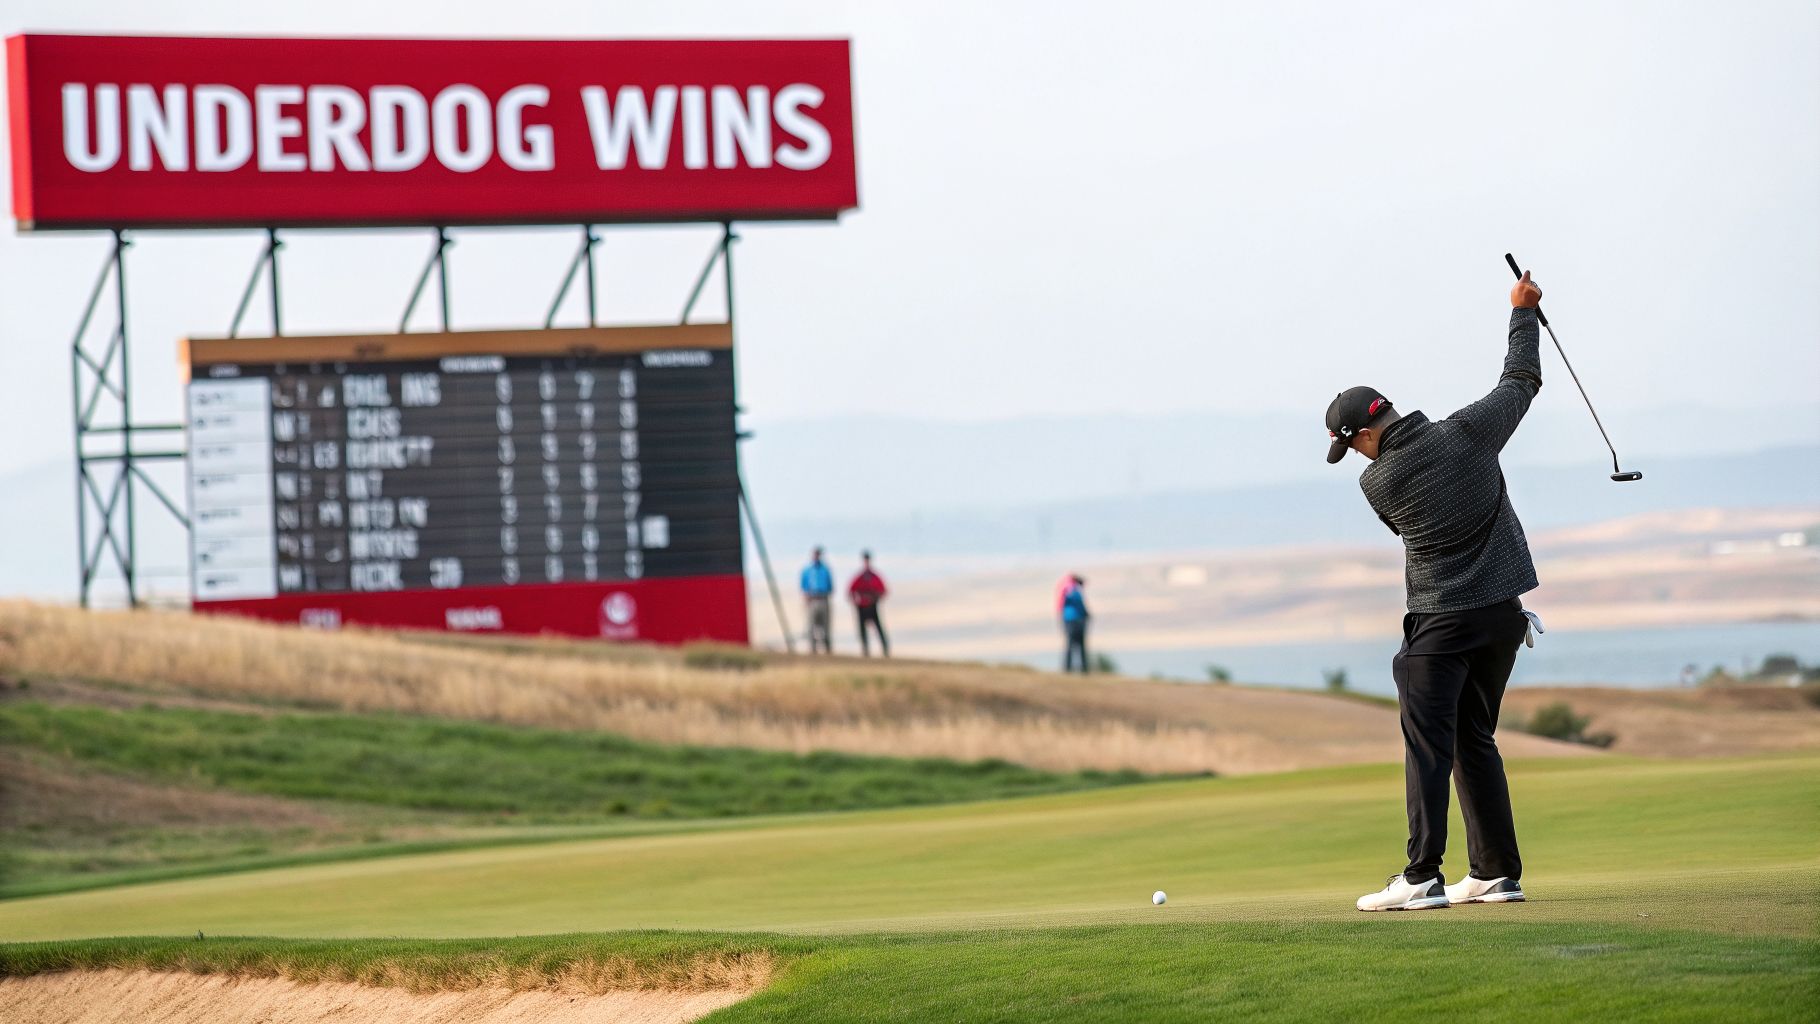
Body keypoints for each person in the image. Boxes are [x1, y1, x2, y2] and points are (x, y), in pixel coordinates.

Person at [1336, 270, 1546, 913]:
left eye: (1353, 448)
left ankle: (1422, 875)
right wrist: (1521, 313)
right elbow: (1521, 381)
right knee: (1471, 737)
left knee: (1430, 742)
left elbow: (1403, 519)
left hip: (1441, 624)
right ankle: (1495, 873)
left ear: (1365, 437)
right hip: (1503, 620)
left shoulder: (1378, 484)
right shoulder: (1471, 432)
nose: (1360, 460)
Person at [848, 550, 889, 657]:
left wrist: (875, 598)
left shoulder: (875, 577)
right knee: (862, 629)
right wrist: (855, 601)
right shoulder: (859, 577)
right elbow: (851, 590)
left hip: (872, 606)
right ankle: (865, 650)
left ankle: (885, 649)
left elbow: (883, 591)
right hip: (861, 606)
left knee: (878, 627)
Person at [800, 546, 835, 654]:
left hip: (824, 598)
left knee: (826, 625)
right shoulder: (807, 570)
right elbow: (803, 586)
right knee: (811, 625)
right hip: (812, 599)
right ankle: (812, 649)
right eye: (815, 554)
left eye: (818, 554)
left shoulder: (826, 569)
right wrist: (807, 597)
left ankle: (828, 649)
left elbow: (830, 586)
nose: (817, 556)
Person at [1059, 574, 1090, 673]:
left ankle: (1070, 668)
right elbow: (1078, 602)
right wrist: (1086, 613)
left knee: (1072, 645)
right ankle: (1079, 669)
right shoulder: (1072, 589)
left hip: (1068, 619)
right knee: (1078, 645)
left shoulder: (1067, 588)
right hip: (1074, 620)